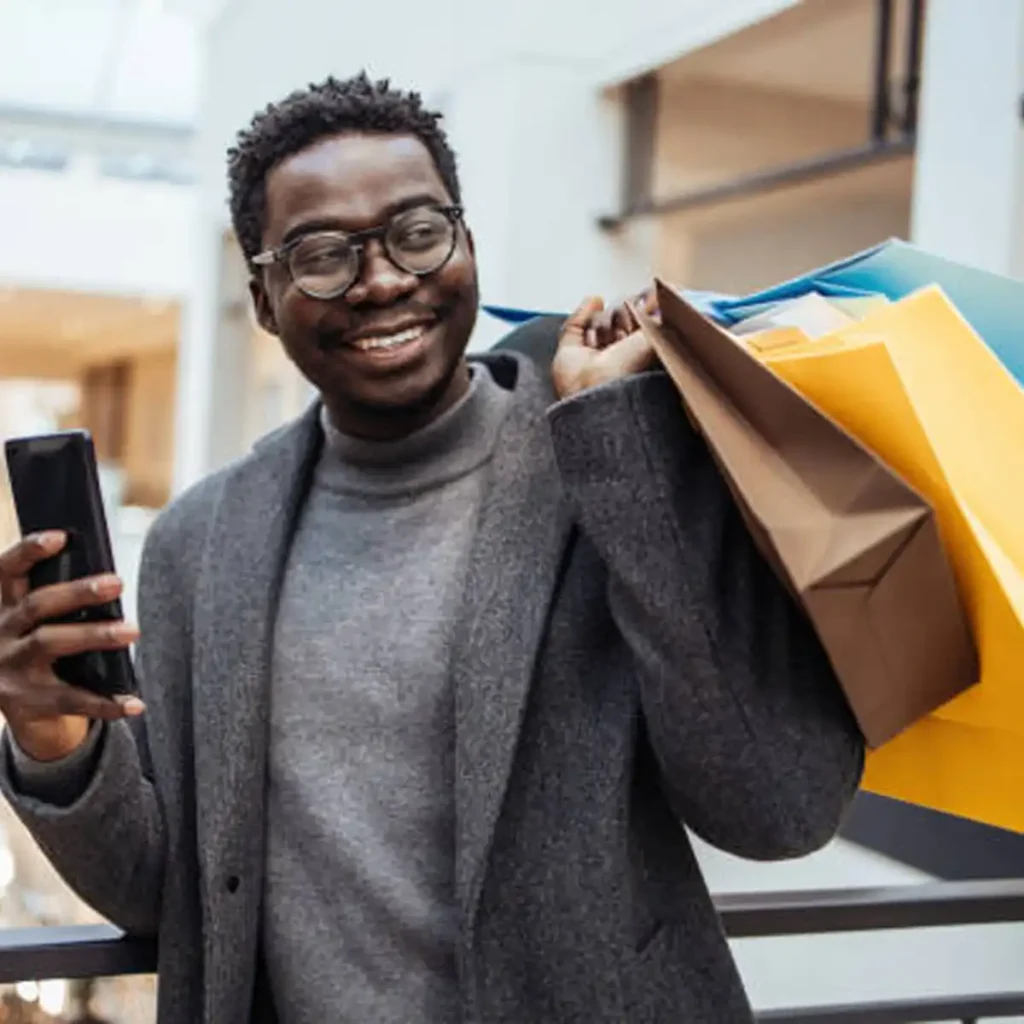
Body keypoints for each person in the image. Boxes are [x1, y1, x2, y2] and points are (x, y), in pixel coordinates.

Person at [0, 73, 863, 1024]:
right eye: (321, 255)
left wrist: (622, 448)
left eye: (417, 232)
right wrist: (53, 743)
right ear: (263, 299)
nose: (380, 281)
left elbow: (777, 812)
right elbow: (167, 892)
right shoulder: (199, 545)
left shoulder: (607, 471)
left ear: (466, 245)